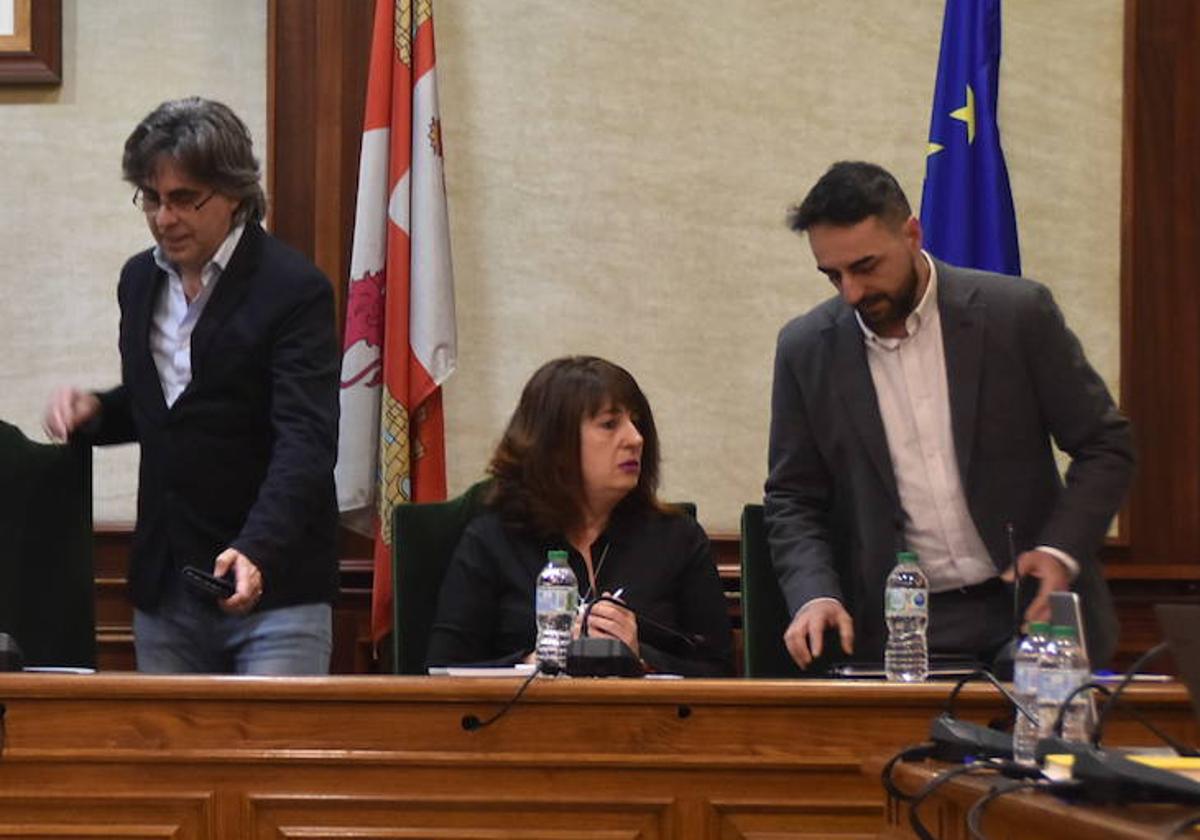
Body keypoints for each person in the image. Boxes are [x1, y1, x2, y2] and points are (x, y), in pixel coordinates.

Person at [765, 161, 1133, 671]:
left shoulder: (1016, 315)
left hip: (1032, 614)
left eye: (866, 267)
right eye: (833, 275)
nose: (851, 292)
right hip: (900, 630)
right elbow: (793, 497)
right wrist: (815, 594)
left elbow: (1105, 445)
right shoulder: (806, 350)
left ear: (913, 234)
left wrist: (1059, 551)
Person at [43, 97, 340, 674]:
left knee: (271, 764)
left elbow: (305, 440)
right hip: (168, 589)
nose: (163, 218)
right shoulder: (139, 281)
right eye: (151, 198)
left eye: (183, 199)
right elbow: (169, 408)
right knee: (170, 766)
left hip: (276, 593)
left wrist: (258, 548)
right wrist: (96, 412)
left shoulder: (294, 289)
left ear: (234, 194)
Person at [427, 356, 733, 676]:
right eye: (609, 424)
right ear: (555, 441)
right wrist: (536, 662)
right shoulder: (492, 539)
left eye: (636, 423)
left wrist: (640, 659)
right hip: (526, 723)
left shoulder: (677, 539)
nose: (635, 439)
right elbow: (443, 672)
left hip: (648, 725)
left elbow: (721, 673)